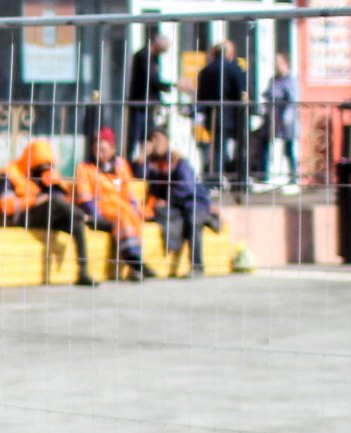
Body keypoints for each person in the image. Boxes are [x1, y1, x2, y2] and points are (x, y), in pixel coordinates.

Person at [0, 138, 99, 287]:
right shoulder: (9, 173)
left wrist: (54, 183)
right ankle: (86, 218)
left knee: (75, 222)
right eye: (40, 167)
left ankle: (83, 272)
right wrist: (34, 200)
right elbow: (6, 205)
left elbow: (63, 198)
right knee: (56, 203)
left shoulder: (44, 174)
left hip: (46, 213)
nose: (43, 170)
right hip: (22, 216)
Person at [140, 127, 221, 278]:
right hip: (176, 205)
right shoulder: (153, 163)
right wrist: (142, 157)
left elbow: (187, 187)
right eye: (152, 140)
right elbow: (139, 176)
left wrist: (167, 199)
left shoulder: (178, 160)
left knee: (192, 220)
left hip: (194, 202)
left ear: (167, 141)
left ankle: (197, 267)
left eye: (158, 139)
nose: (155, 143)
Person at [75, 127, 148, 280]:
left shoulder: (120, 165)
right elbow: (85, 198)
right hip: (100, 210)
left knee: (133, 218)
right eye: (96, 147)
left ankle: (135, 264)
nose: (98, 151)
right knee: (123, 218)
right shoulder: (85, 168)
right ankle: (134, 261)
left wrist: (135, 209)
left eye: (103, 148)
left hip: (120, 207)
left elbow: (129, 191)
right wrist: (97, 216)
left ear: (113, 149)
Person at [194, 40, 249, 188]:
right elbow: (241, 92)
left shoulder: (205, 71)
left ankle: (215, 178)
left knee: (217, 148)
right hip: (233, 115)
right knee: (240, 147)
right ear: (230, 54)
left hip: (212, 115)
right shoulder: (234, 68)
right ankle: (239, 179)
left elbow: (201, 96)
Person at [124, 32, 175, 162]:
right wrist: (171, 86)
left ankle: (144, 160)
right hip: (140, 103)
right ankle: (133, 161)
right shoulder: (144, 56)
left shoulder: (153, 57)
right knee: (137, 134)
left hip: (148, 103)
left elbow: (153, 81)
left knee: (147, 135)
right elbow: (150, 80)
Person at [263, 51, 300, 185]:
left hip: (286, 120)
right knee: (269, 147)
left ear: (285, 63)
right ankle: (269, 175)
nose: (275, 65)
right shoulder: (274, 80)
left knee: (289, 149)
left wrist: (287, 116)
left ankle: (293, 177)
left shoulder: (290, 80)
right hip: (273, 119)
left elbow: (293, 100)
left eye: (277, 62)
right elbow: (269, 93)